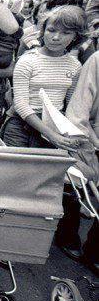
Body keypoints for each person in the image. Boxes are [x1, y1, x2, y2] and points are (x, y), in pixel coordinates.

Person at [2, 5, 82, 149]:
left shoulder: (75, 66)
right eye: (51, 30)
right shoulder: (27, 61)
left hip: (55, 125)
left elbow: (71, 104)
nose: (56, 37)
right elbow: (21, 104)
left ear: (75, 36)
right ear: (43, 30)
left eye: (66, 33)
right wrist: (51, 135)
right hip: (21, 127)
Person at [64, 51, 99, 273]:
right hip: (92, 137)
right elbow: (79, 108)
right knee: (77, 185)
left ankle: (94, 250)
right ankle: (69, 235)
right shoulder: (97, 60)